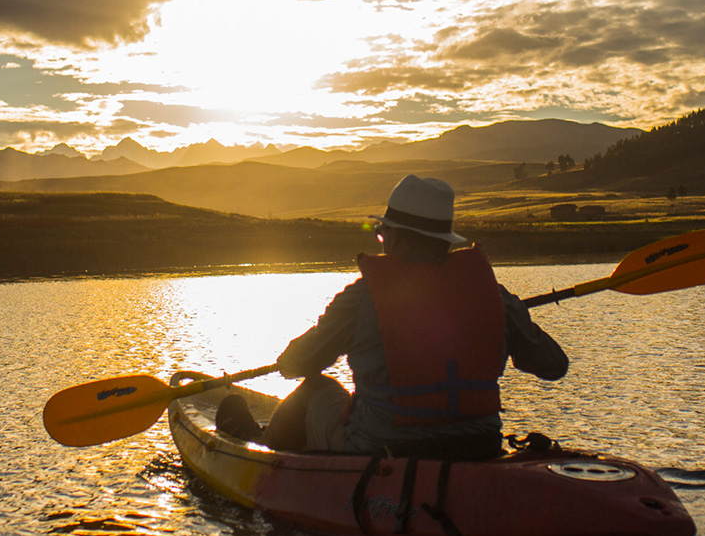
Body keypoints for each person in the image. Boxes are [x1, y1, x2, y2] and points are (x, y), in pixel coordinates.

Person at [216, 174, 568, 459]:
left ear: (396, 239)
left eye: (382, 233)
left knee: (317, 387)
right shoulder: (494, 295)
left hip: (384, 447)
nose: (381, 241)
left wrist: (290, 356)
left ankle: (258, 450)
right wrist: (513, 315)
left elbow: (297, 364)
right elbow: (554, 366)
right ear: (443, 241)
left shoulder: (362, 296)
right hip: (479, 443)